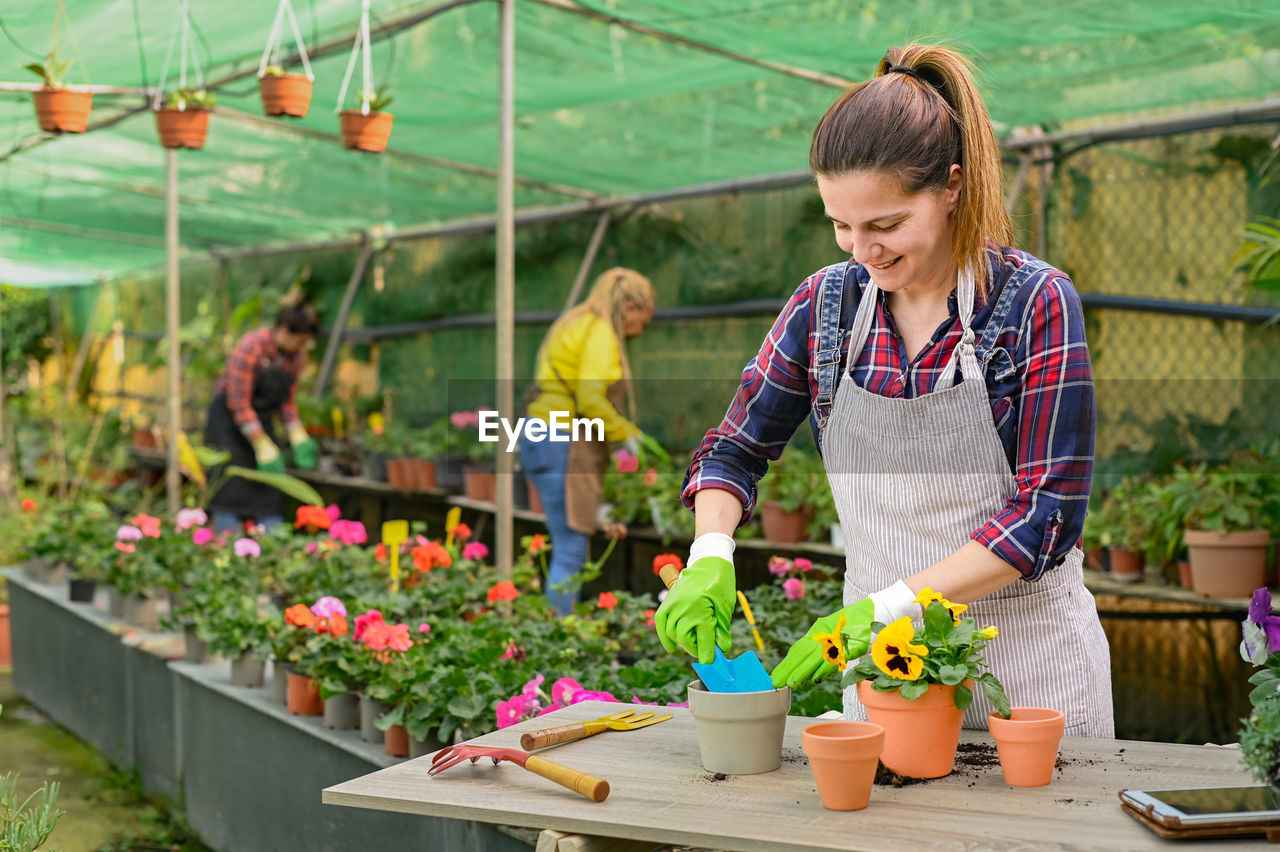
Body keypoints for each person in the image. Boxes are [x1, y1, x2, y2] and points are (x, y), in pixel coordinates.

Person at [654, 44, 1113, 737]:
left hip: (1027, 676)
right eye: (841, 225)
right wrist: (710, 552)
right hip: (881, 676)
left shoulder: (1032, 304)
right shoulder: (824, 308)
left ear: (951, 186)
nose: (860, 250)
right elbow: (735, 448)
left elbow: (1045, 517)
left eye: (885, 224)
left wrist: (888, 607)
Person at [520, 267, 664, 615]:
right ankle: (561, 638)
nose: (640, 330)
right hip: (561, 443)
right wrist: (628, 433)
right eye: (642, 320)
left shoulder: (574, 322)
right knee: (570, 549)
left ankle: (557, 628)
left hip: (539, 435)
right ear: (630, 306)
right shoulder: (600, 330)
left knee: (563, 546)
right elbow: (590, 398)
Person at [205, 301, 321, 535]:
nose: (302, 346)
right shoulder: (252, 346)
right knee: (230, 489)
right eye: (300, 340)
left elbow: (287, 401)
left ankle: (271, 548)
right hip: (228, 427)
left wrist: (297, 433)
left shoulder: (294, 357)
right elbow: (238, 401)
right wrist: (260, 441)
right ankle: (226, 548)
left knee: (271, 489)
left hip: (261, 423)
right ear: (285, 329)